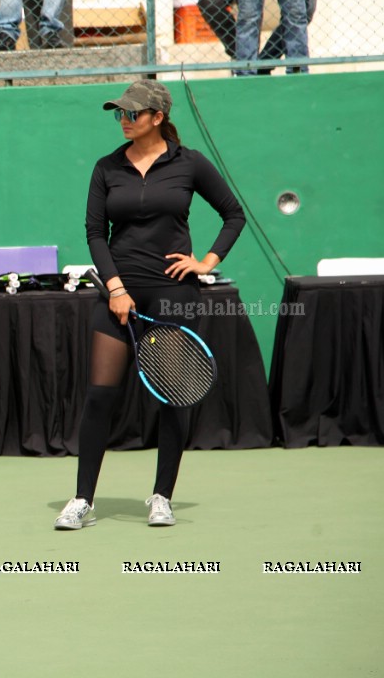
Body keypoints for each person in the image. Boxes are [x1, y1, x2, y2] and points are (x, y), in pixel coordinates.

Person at [54, 79, 245, 531]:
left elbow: (233, 214)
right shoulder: (106, 168)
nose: (123, 120)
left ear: (158, 118)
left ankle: (162, 496)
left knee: (174, 398)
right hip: (119, 293)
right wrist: (116, 289)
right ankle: (83, 499)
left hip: (174, 294)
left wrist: (206, 262)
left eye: (132, 113)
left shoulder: (190, 163)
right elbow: (95, 233)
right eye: (119, 113)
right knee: (100, 396)